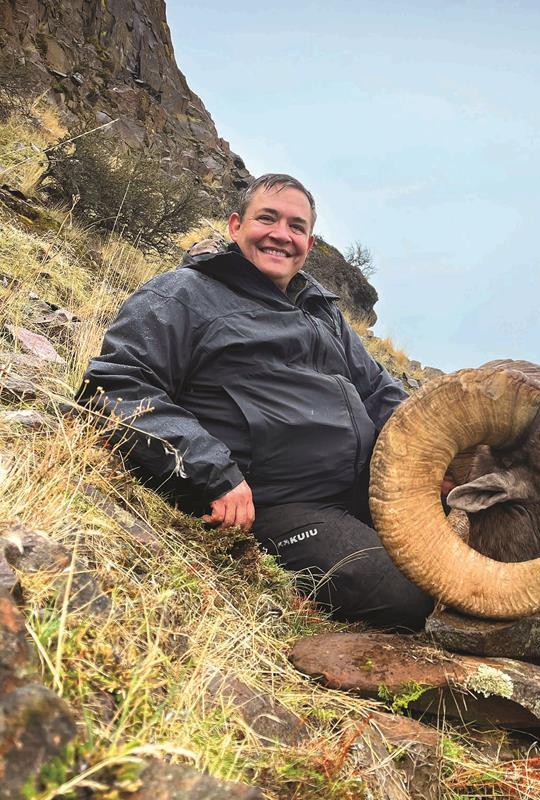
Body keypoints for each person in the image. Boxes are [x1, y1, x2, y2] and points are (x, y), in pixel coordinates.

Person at [77, 173, 434, 628]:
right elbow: (116, 384)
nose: (281, 234)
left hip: (364, 488)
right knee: (414, 592)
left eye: (296, 226)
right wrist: (212, 470)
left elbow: (379, 391)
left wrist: (431, 456)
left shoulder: (321, 310)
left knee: (489, 530)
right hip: (277, 505)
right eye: (267, 218)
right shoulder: (183, 294)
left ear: (308, 243)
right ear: (235, 226)